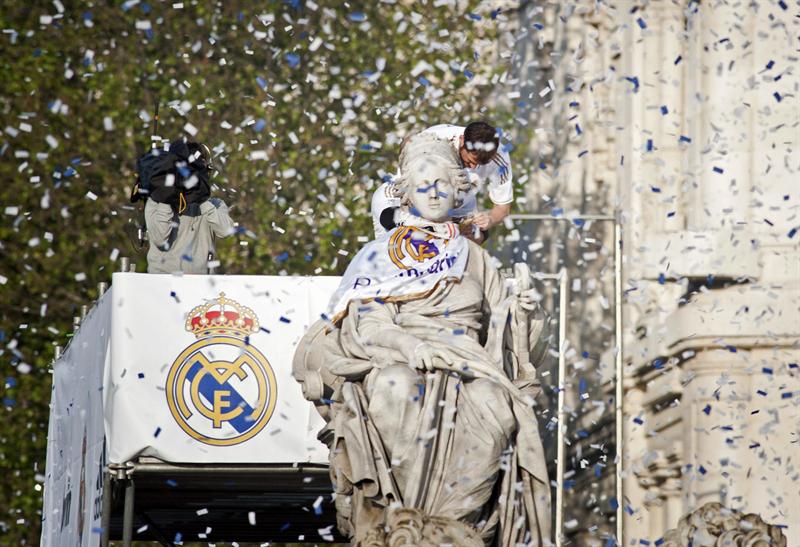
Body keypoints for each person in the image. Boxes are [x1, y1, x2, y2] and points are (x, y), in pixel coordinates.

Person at [294, 133, 550, 546]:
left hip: (469, 362)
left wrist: (524, 310)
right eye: (423, 186)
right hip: (402, 359)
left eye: (442, 184)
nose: (433, 194)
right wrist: (412, 347)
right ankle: (404, 520)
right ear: (407, 194)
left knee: (495, 402)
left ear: (457, 191)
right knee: (396, 386)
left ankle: (454, 525)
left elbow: (507, 329)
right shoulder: (379, 255)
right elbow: (367, 325)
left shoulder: (475, 257)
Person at [371, 121, 513, 239]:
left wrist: (490, 219)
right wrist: (433, 227)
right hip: (409, 197)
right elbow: (408, 143)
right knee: (402, 231)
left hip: (456, 203)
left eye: (481, 164)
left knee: (478, 235)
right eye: (469, 161)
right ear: (461, 140)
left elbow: (503, 208)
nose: (473, 168)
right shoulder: (437, 139)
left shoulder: (500, 159)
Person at [134, 138, 235, 274]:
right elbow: (160, 239)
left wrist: (201, 199)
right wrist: (166, 198)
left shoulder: (215, 204)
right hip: (163, 280)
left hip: (200, 282)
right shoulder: (155, 202)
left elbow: (226, 231)